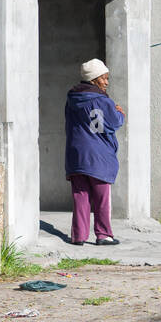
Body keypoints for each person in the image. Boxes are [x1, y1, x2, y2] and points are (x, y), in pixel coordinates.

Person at [64, 58, 125, 246]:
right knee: (101, 198)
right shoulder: (102, 100)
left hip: (76, 154)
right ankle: (103, 234)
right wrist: (120, 113)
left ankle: (79, 236)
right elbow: (114, 123)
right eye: (104, 78)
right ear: (94, 79)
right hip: (99, 156)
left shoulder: (71, 98)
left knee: (80, 196)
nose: (106, 82)